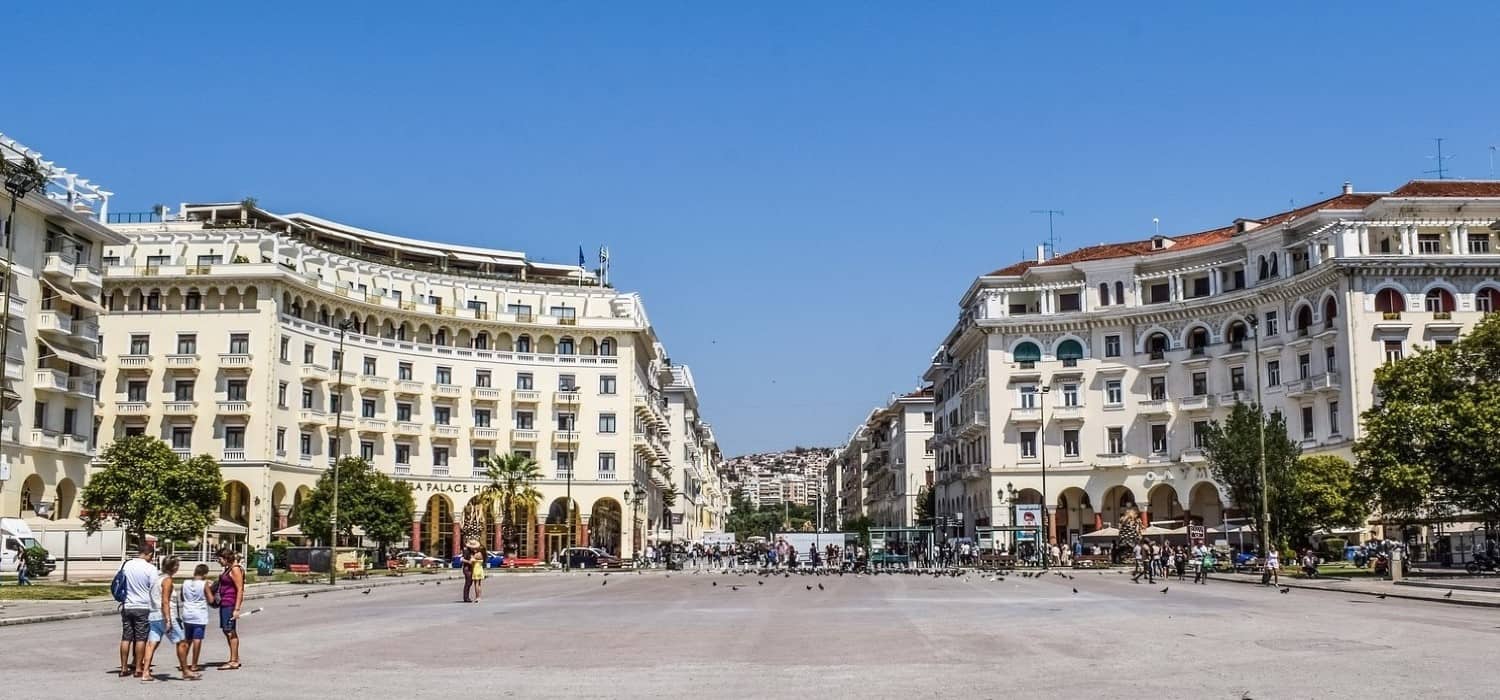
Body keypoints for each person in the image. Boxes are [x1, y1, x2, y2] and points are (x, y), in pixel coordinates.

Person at [140, 556, 195, 682]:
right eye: (177, 565)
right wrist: (168, 620)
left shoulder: (156, 579)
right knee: (181, 642)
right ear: (174, 567)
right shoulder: (167, 580)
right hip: (166, 615)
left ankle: (146, 671)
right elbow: (165, 601)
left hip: (153, 615)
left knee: (152, 643)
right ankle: (185, 670)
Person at [119, 544, 158, 679]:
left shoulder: (126, 565)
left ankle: (123, 667)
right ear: (149, 554)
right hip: (143, 606)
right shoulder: (151, 568)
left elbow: (120, 582)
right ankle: (138, 668)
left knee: (126, 637)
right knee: (141, 638)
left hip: (127, 605)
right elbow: (154, 588)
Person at [215, 548, 245, 670]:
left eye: (220, 559)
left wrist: (237, 608)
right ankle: (234, 657)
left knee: (230, 631)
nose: (219, 561)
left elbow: (240, 589)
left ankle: (234, 660)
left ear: (226, 558)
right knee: (226, 630)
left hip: (230, 603)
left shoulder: (235, 569)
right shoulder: (228, 569)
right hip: (224, 602)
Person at [180, 564, 212, 673]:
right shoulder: (204, 584)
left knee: (187, 639)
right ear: (205, 574)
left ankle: (183, 663)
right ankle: (194, 664)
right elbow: (211, 599)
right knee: (197, 639)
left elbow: (182, 597)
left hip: (187, 612)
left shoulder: (185, 583)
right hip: (199, 614)